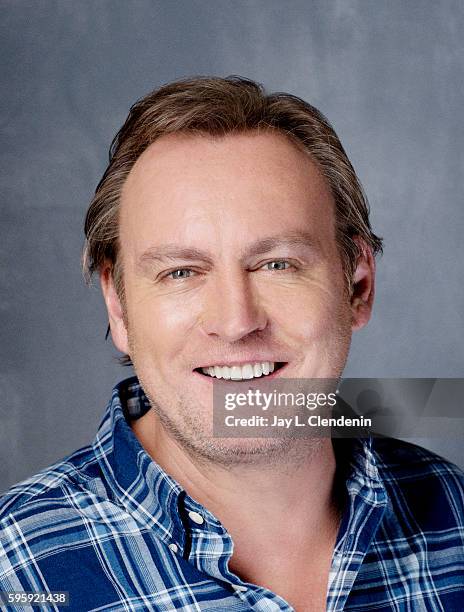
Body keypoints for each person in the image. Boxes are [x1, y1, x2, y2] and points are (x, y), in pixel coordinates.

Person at [1, 76, 463, 612]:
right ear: (119, 307)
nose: (235, 321)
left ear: (356, 284)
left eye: (277, 264)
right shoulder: (18, 571)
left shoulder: (452, 513)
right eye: (180, 272)